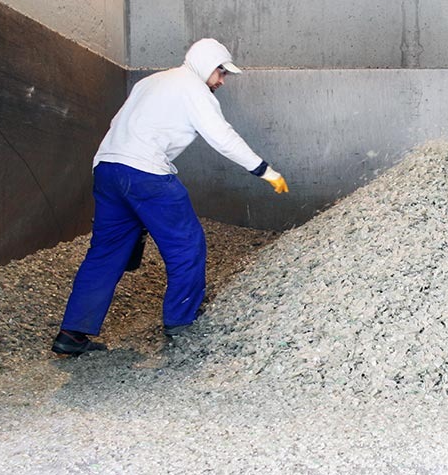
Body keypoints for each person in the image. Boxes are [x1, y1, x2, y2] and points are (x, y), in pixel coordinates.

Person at [51, 38, 288, 355]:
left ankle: (72, 334)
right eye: (221, 72)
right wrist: (264, 170)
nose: (221, 81)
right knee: (186, 245)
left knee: (105, 253)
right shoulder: (193, 88)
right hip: (146, 173)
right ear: (206, 65)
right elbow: (222, 136)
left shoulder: (151, 82)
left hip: (107, 168)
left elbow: (118, 123)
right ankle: (181, 322)